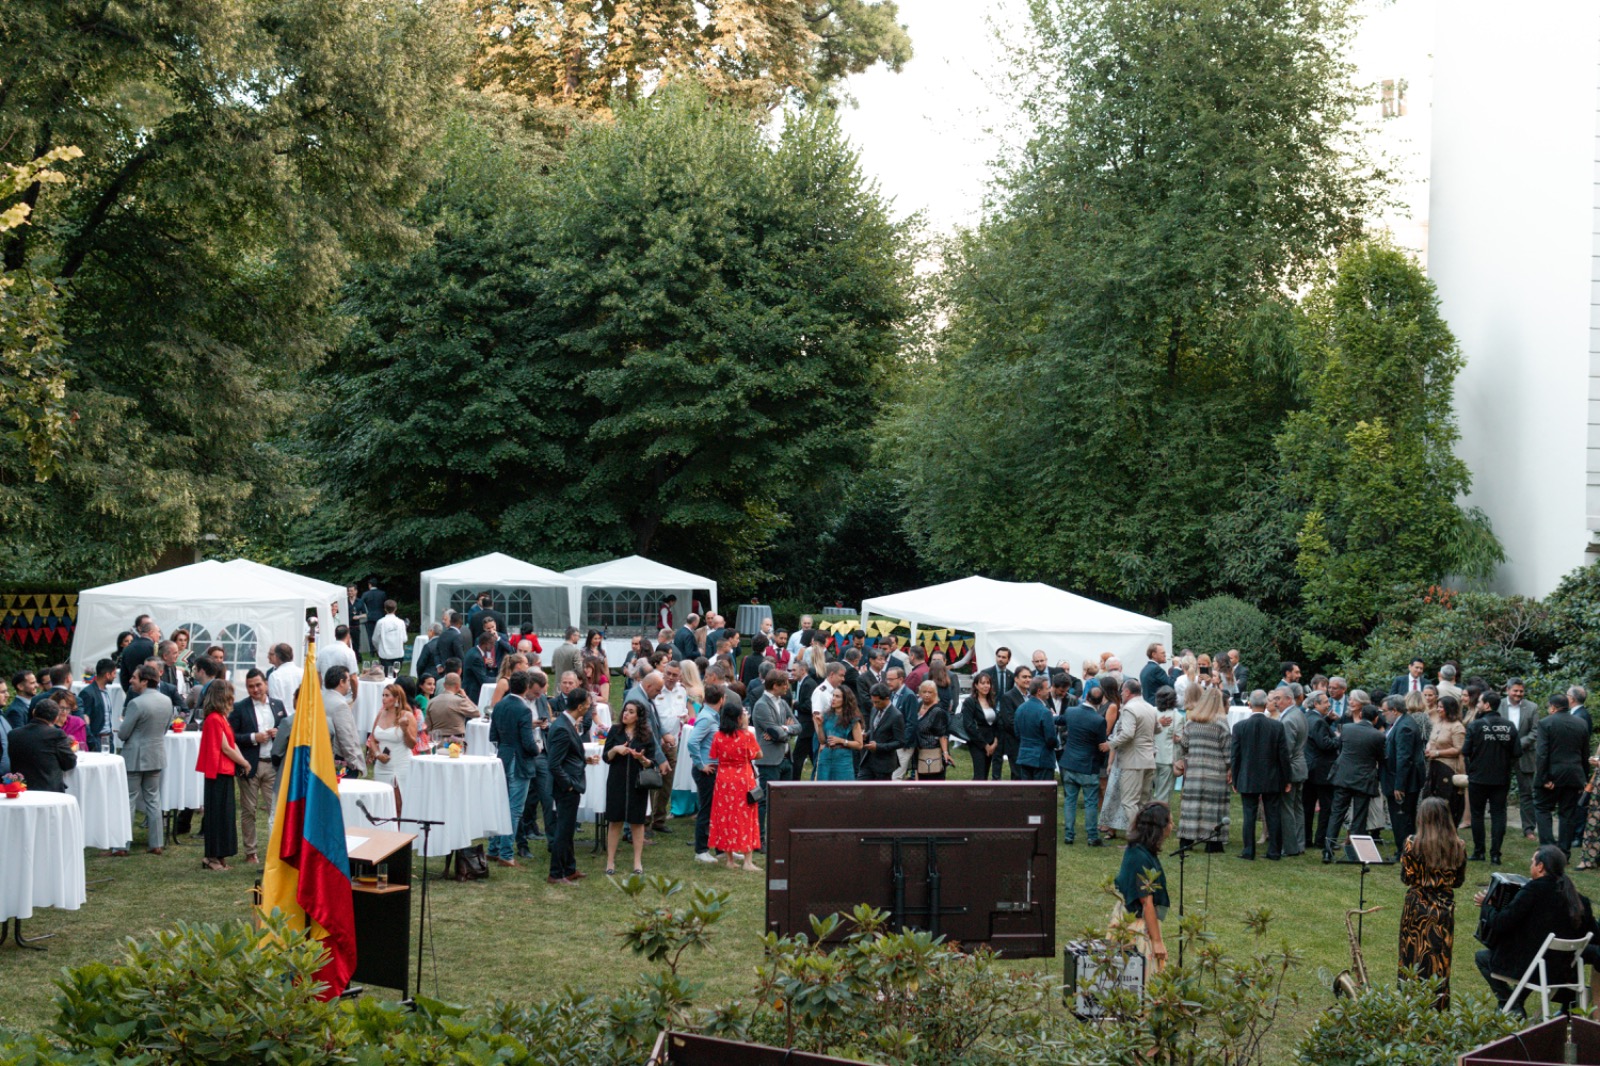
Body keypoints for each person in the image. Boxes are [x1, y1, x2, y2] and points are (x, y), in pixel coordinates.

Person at [1474, 845, 1600, 1013]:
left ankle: (1511, 1004)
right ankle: (1517, 1004)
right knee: (1531, 958)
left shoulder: (1533, 890)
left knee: (1482, 957)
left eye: (1533, 861)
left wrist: (1487, 906)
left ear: (1540, 866)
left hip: (1536, 969)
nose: (1531, 865)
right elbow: (1594, 936)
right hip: (1563, 971)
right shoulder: (1578, 899)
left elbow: (1500, 923)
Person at [1398, 797, 1468, 1009]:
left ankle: (1408, 1005)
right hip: (1443, 909)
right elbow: (1458, 881)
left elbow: (1406, 877)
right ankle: (1438, 1006)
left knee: (1412, 959)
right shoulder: (1458, 846)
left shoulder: (1412, 843)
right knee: (1440, 960)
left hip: (1416, 909)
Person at [229, 669, 287, 864]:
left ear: (266, 684)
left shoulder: (277, 705)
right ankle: (250, 852)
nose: (255, 689)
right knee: (249, 810)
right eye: (250, 686)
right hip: (250, 766)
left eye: (258, 685)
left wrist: (278, 732)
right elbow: (231, 737)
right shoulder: (240, 708)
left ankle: (276, 849)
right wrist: (254, 737)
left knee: (275, 809)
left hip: (273, 766)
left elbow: (287, 730)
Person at [1324, 695, 1386, 864]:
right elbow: (1381, 758)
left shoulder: (1347, 729)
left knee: (1336, 813)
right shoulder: (1378, 736)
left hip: (1343, 776)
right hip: (1363, 779)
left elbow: (1342, 749)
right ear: (1375, 718)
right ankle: (1354, 853)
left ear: (1360, 715)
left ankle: (1327, 851)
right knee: (1359, 816)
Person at [1230, 687, 1291, 861]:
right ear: (1265, 704)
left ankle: (1248, 850)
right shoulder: (1276, 726)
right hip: (1271, 777)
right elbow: (1283, 756)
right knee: (1273, 814)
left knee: (1249, 815)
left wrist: (1235, 777)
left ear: (1249, 705)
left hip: (1248, 777)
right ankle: (1274, 851)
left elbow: (1235, 755)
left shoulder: (1240, 727)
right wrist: (1287, 778)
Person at [1114, 802, 1173, 973]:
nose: (1172, 826)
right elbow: (1146, 901)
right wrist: (1157, 941)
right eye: (1169, 821)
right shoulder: (1140, 857)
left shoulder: (1140, 850)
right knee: (1143, 977)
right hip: (1137, 924)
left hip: (1135, 917)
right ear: (1159, 827)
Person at [488, 671, 539, 868]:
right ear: (526, 688)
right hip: (518, 760)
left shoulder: (500, 705)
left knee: (501, 803)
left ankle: (493, 848)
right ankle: (506, 853)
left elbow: (493, 734)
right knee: (515, 808)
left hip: (503, 755)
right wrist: (537, 749)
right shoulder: (523, 709)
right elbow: (527, 741)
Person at [196, 681, 248, 871]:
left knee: (224, 815)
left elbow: (231, 744)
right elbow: (225, 747)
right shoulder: (215, 719)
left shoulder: (220, 719)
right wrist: (244, 762)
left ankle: (219, 855)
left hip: (223, 771)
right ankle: (212, 857)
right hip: (217, 771)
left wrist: (242, 760)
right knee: (217, 815)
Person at [118, 664, 169, 854]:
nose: (131, 680)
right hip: (155, 753)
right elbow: (164, 729)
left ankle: (122, 845)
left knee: (129, 799)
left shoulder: (136, 703)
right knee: (153, 799)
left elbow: (123, 733)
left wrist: (122, 727)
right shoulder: (166, 701)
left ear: (145, 681)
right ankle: (156, 843)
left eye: (134, 677)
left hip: (135, 755)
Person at [708, 700, 762, 871]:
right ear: (739, 718)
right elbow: (758, 754)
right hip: (743, 780)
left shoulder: (718, 736)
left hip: (724, 780)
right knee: (746, 816)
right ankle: (747, 861)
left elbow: (714, 755)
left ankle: (730, 859)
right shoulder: (747, 736)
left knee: (725, 815)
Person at [602, 699, 655, 876]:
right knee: (615, 820)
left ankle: (637, 862)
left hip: (637, 783)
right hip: (616, 781)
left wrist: (641, 758)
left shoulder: (646, 735)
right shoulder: (615, 731)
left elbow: (651, 762)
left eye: (631, 712)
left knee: (637, 822)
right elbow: (606, 757)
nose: (626, 714)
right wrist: (616, 749)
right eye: (625, 710)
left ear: (638, 716)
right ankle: (610, 861)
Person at [1174, 687, 1230, 853]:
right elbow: (1227, 750)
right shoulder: (1221, 723)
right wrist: (1230, 766)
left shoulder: (1192, 722)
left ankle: (1186, 840)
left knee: (1192, 806)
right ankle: (1213, 843)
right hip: (1215, 770)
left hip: (1195, 771)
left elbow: (1184, 745)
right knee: (1213, 807)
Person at [1534, 693, 1591, 853]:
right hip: (1574, 775)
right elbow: (1584, 753)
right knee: (1568, 813)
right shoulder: (1581, 723)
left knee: (1542, 808)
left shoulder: (1546, 723)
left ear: (1552, 707)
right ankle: (1564, 851)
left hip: (1552, 774)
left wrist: (1543, 777)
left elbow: (1542, 753)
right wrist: (1584, 779)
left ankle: (1548, 848)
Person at [1466, 691, 1517, 864]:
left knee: (1477, 814)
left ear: (1487, 705)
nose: (1478, 704)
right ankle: (1495, 854)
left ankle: (1479, 851)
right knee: (1498, 814)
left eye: (1479, 701)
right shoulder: (1509, 726)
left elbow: (1465, 750)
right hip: (1501, 778)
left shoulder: (1475, 726)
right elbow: (1517, 752)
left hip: (1478, 777)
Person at [546, 685, 588, 884]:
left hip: (570, 783)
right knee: (563, 830)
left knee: (568, 828)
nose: (590, 707)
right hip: (566, 788)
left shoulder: (566, 723)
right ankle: (556, 873)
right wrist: (569, 785)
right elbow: (554, 763)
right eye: (588, 704)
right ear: (580, 706)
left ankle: (569, 868)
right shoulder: (562, 727)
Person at [1109, 678, 1158, 833]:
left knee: (1129, 801)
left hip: (1133, 761)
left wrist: (1110, 744)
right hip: (1148, 759)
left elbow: (1128, 734)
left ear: (1128, 692)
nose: (1121, 694)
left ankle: (1136, 837)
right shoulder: (1150, 707)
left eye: (1122, 691)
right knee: (1144, 801)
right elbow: (1158, 729)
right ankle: (1147, 836)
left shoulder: (1129, 709)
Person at [1384, 694, 1428, 863]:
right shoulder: (1401, 723)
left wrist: (1399, 785)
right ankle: (1406, 850)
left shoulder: (1404, 727)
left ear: (1394, 710)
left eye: (1385, 711)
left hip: (1404, 781)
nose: (1383, 714)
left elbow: (1404, 758)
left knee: (1402, 818)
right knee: (1401, 817)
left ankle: (1405, 851)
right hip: (1399, 778)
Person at [7, 698, 77, 792]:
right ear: (56, 718)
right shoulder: (56, 734)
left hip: (20, 789)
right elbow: (69, 763)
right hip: (48, 791)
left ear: (34, 712)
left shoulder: (13, 734)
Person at [1425, 694, 1468, 830]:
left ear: (1449, 709)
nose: (1438, 709)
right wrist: (1428, 748)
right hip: (1434, 767)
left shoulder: (1457, 727)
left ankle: (1448, 831)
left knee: (1446, 803)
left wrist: (1438, 753)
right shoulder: (1438, 723)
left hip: (1448, 769)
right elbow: (1432, 741)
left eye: (1441, 707)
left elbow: (1459, 749)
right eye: (1438, 707)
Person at [368, 682, 418, 800]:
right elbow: (373, 740)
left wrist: (405, 730)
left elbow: (412, 744)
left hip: (400, 765)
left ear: (396, 698)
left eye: (387, 695)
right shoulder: (380, 714)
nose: (383, 699)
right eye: (383, 695)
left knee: (398, 802)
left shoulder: (407, 716)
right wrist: (377, 754)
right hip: (381, 765)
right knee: (382, 800)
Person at [814, 686, 863, 781]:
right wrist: (819, 726)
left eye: (837, 696)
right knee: (823, 789)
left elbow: (859, 744)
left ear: (845, 700)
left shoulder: (853, 719)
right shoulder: (827, 715)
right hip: (826, 757)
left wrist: (841, 741)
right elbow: (822, 741)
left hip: (843, 758)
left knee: (843, 789)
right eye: (833, 696)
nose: (833, 699)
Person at [1012, 677, 1056, 782]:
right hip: (1042, 759)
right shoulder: (1045, 712)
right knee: (1042, 795)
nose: (1049, 690)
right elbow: (1050, 739)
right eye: (1047, 688)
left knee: (1028, 793)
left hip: (1025, 757)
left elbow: (1017, 733)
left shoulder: (1020, 708)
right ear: (1039, 691)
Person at [960, 671, 1001, 781]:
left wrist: (995, 742)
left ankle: (983, 796)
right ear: (976, 685)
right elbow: (969, 725)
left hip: (991, 741)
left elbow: (996, 722)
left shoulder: (991, 701)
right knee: (980, 775)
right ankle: (974, 796)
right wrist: (984, 745)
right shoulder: (970, 702)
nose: (986, 686)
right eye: (982, 683)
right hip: (977, 742)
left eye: (988, 683)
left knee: (985, 774)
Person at [911, 680, 954, 779]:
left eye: (930, 692)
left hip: (933, 753)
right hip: (919, 751)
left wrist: (945, 753)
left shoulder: (937, 711)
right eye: (924, 692)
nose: (926, 695)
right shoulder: (919, 706)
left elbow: (942, 735)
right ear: (920, 693)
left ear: (935, 694)